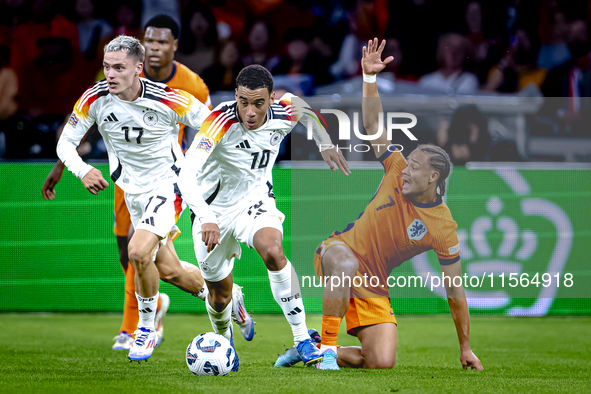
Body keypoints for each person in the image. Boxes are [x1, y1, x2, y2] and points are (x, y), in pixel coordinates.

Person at [43, 16, 254, 352]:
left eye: (119, 68)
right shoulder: (94, 98)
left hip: (168, 186)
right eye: (106, 67)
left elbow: (213, 122)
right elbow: (65, 143)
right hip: (131, 190)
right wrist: (81, 170)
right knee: (166, 269)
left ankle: (143, 330)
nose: (110, 74)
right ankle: (227, 294)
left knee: (137, 251)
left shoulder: (170, 98)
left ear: (138, 68)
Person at [276, 38, 483, 371]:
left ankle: (311, 347)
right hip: (338, 250)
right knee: (344, 264)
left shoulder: (443, 228)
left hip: (373, 282)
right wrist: (369, 79)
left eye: (415, 167)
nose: (406, 168)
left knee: (381, 362)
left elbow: (455, 291)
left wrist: (466, 347)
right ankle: (327, 351)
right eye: (408, 162)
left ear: (432, 178)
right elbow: (373, 125)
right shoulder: (397, 167)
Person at [178, 64, 350, 366]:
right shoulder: (218, 120)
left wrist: (325, 143)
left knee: (273, 250)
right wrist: (205, 215)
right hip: (213, 211)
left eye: (258, 103)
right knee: (219, 295)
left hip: (254, 202)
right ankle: (224, 338)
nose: (250, 112)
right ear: (235, 96)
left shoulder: (284, 112)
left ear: (271, 99)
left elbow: (305, 110)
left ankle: (302, 340)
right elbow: (187, 174)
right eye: (243, 102)